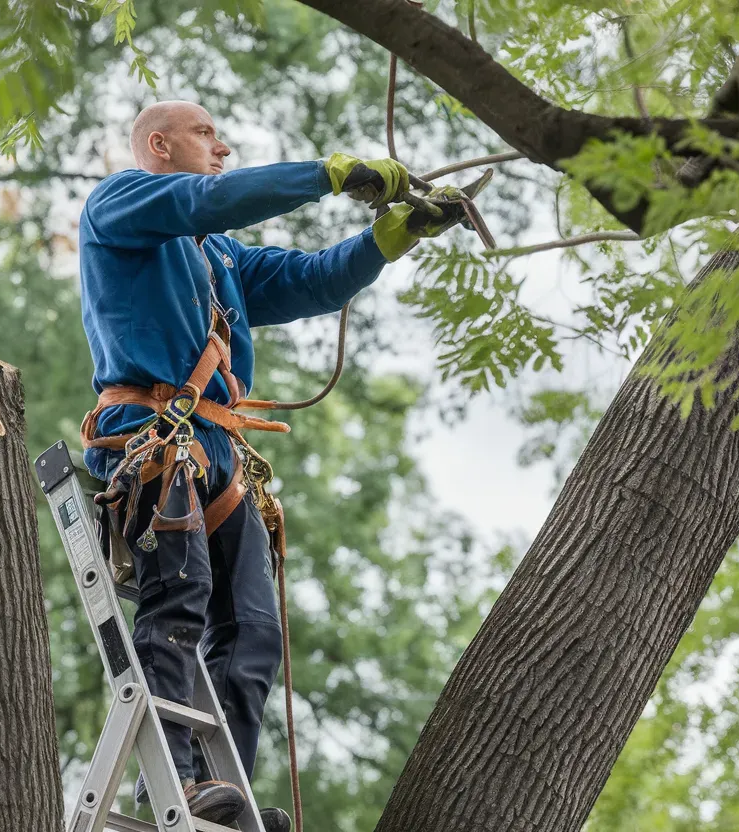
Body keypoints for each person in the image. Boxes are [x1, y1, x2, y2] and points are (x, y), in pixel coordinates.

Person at [77, 100, 457, 831]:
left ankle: (222, 800)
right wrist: (327, 174)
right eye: (205, 134)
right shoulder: (118, 203)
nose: (222, 146)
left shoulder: (220, 258)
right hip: (153, 434)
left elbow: (312, 281)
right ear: (159, 144)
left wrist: (386, 237)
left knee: (251, 633)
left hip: (218, 453)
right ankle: (169, 787)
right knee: (178, 603)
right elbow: (210, 198)